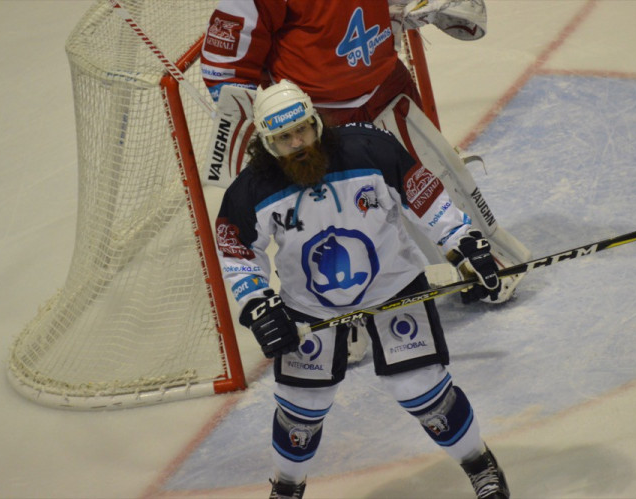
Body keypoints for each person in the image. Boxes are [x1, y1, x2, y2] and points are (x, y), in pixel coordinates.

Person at [215, 79, 510, 498]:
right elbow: (237, 251)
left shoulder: (370, 149)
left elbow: (424, 197)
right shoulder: (251, 190)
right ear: (265, 143)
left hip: (393, 286)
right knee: (302, 410)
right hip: (309, 306)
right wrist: (259, 305)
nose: (298, 143)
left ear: (317, 122)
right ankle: (286, 488)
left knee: (422, 389)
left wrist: (461, 241)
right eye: (283, 138)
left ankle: (480, 465)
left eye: (304, 129)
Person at [200, 0, 532, 316]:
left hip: (386, 85)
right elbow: (222, 65)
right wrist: (266, 128)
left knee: (431, 180)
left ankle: (478, 259)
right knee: (333, 218)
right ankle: (343, 308)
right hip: (315, 119)